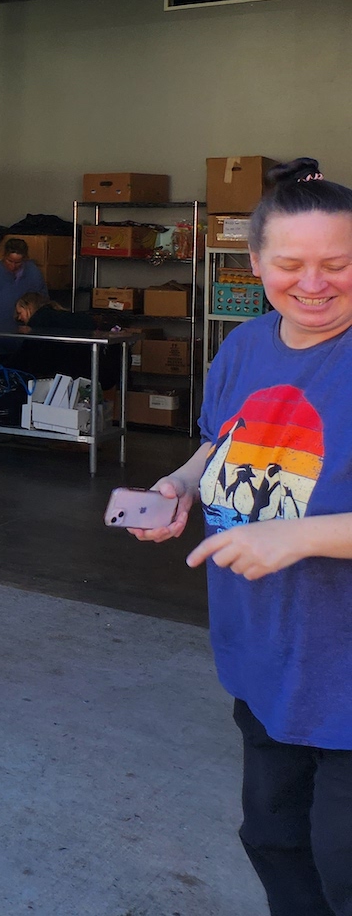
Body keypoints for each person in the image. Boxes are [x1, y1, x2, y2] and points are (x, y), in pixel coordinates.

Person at [131, 158, 352, 915]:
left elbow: (300, 531)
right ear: (254, 262)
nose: (313, 284)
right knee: (275, 841)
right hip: (267, 655)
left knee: (343, 864)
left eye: (337, 264)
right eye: (290, 264)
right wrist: (180, 486)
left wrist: (300, 537)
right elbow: (219, 443)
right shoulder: (246, 346)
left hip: (345, 670)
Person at [0, 237, 47, 331]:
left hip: (24, 334)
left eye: (18, 262)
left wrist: (34, 329)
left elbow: (42, 306)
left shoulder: (34, 275)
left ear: (25, 259)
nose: (13, 266)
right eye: (9, 261)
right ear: (4, 256)